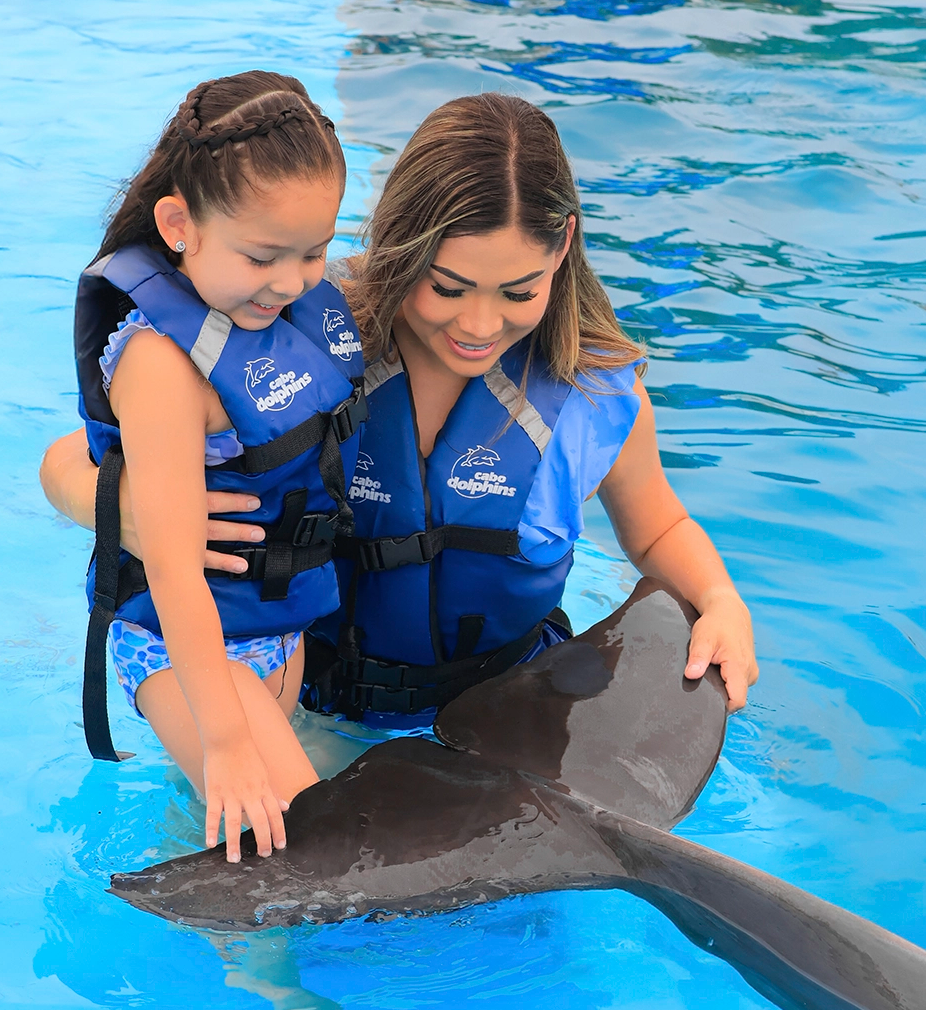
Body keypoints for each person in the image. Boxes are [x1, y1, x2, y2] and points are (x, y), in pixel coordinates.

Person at [45, 92, 756, 754]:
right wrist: (122, 510)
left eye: (518, 291)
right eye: (447, 287)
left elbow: (658, 528)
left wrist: (720, 598)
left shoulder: (591, 391)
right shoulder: (307, 339)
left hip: (504, 723)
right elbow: (69, 461)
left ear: (563, 246)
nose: (479, 325)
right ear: (402, 241)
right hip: (304, 711)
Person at [57, 71, 366, 864]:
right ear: (178, 225)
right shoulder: (161, 367)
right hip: (184, 641)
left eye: (315, 251)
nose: (294, 282)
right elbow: (170, 567)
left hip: (270, 624)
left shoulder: (290, 310)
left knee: (229, 834)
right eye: (263, 255)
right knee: (293, 851)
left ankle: (218, 938)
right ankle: (282, 997)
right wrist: (226, 740)